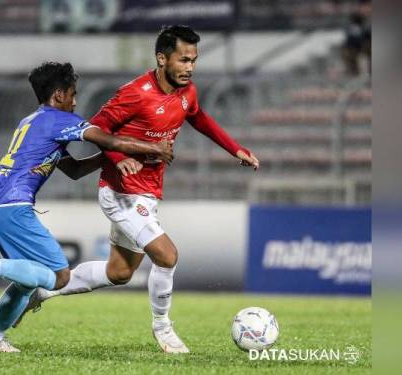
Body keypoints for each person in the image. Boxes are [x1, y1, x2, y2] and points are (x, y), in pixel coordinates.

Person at [20, 25, 260, 354]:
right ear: (162, 58)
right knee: (167, 255)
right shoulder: (135, 93)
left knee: (118, 272)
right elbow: (98, 128)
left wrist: (235, 149)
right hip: (119, 192)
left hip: (145, 192)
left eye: (194, 60)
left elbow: (199, 118)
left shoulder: (187, 93)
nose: (190, 67)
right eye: (183, 59)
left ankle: (42, 291)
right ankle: (163, 327)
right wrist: (118, 158)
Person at [0, 61, 173, 352]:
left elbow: (73, 170)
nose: (75, 102)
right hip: (14, 205)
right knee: (59, 277)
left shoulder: (32, 122)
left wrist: (106, 159)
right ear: (59, 94)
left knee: (27, 281)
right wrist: (152, 148)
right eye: (73, 94)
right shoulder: (57, 120)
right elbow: (106, 137)